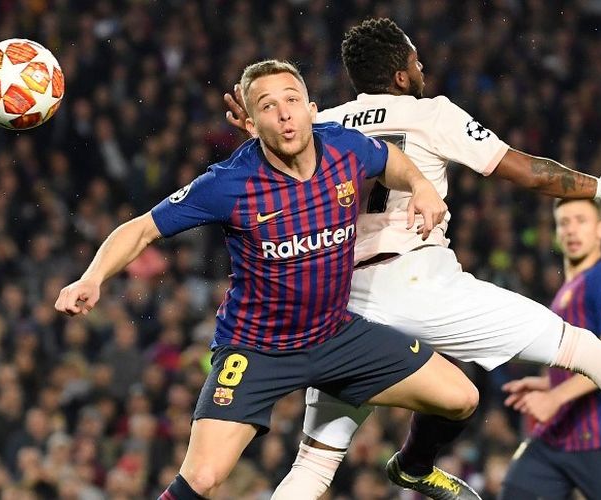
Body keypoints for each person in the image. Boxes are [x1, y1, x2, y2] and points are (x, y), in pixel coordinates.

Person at [222, 18, 601, 500]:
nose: (423, 67)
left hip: (344, 304)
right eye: (416, 59)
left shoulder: (321, 123)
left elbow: (270, 177)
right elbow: (530, 173)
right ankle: (416, 465)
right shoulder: (432, 114)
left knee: (313, 466)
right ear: (401, 75)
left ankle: (415, 466)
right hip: (419, 283)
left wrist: (255, 132)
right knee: (585, 351)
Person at [55, 59, 482, 500]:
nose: (284, 113)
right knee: (202, 478)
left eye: (292, 100)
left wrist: (421, 184)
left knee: (461, 398)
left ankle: (413, 468)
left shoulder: (344, 148)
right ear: (252, 124)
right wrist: (93, 277)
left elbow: (389, 157)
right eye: (268, 105)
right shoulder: (230, 183)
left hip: (336, 335)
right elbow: (143, 227)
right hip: (257, 349)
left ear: (312, 109)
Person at [499, 199, 601, 499]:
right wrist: (549, 382)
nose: (571, 230)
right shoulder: (570, 287)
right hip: (557, 437)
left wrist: (555, 397)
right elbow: (584, 359)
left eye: (581, 220)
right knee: (515, 491)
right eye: (564, 222)